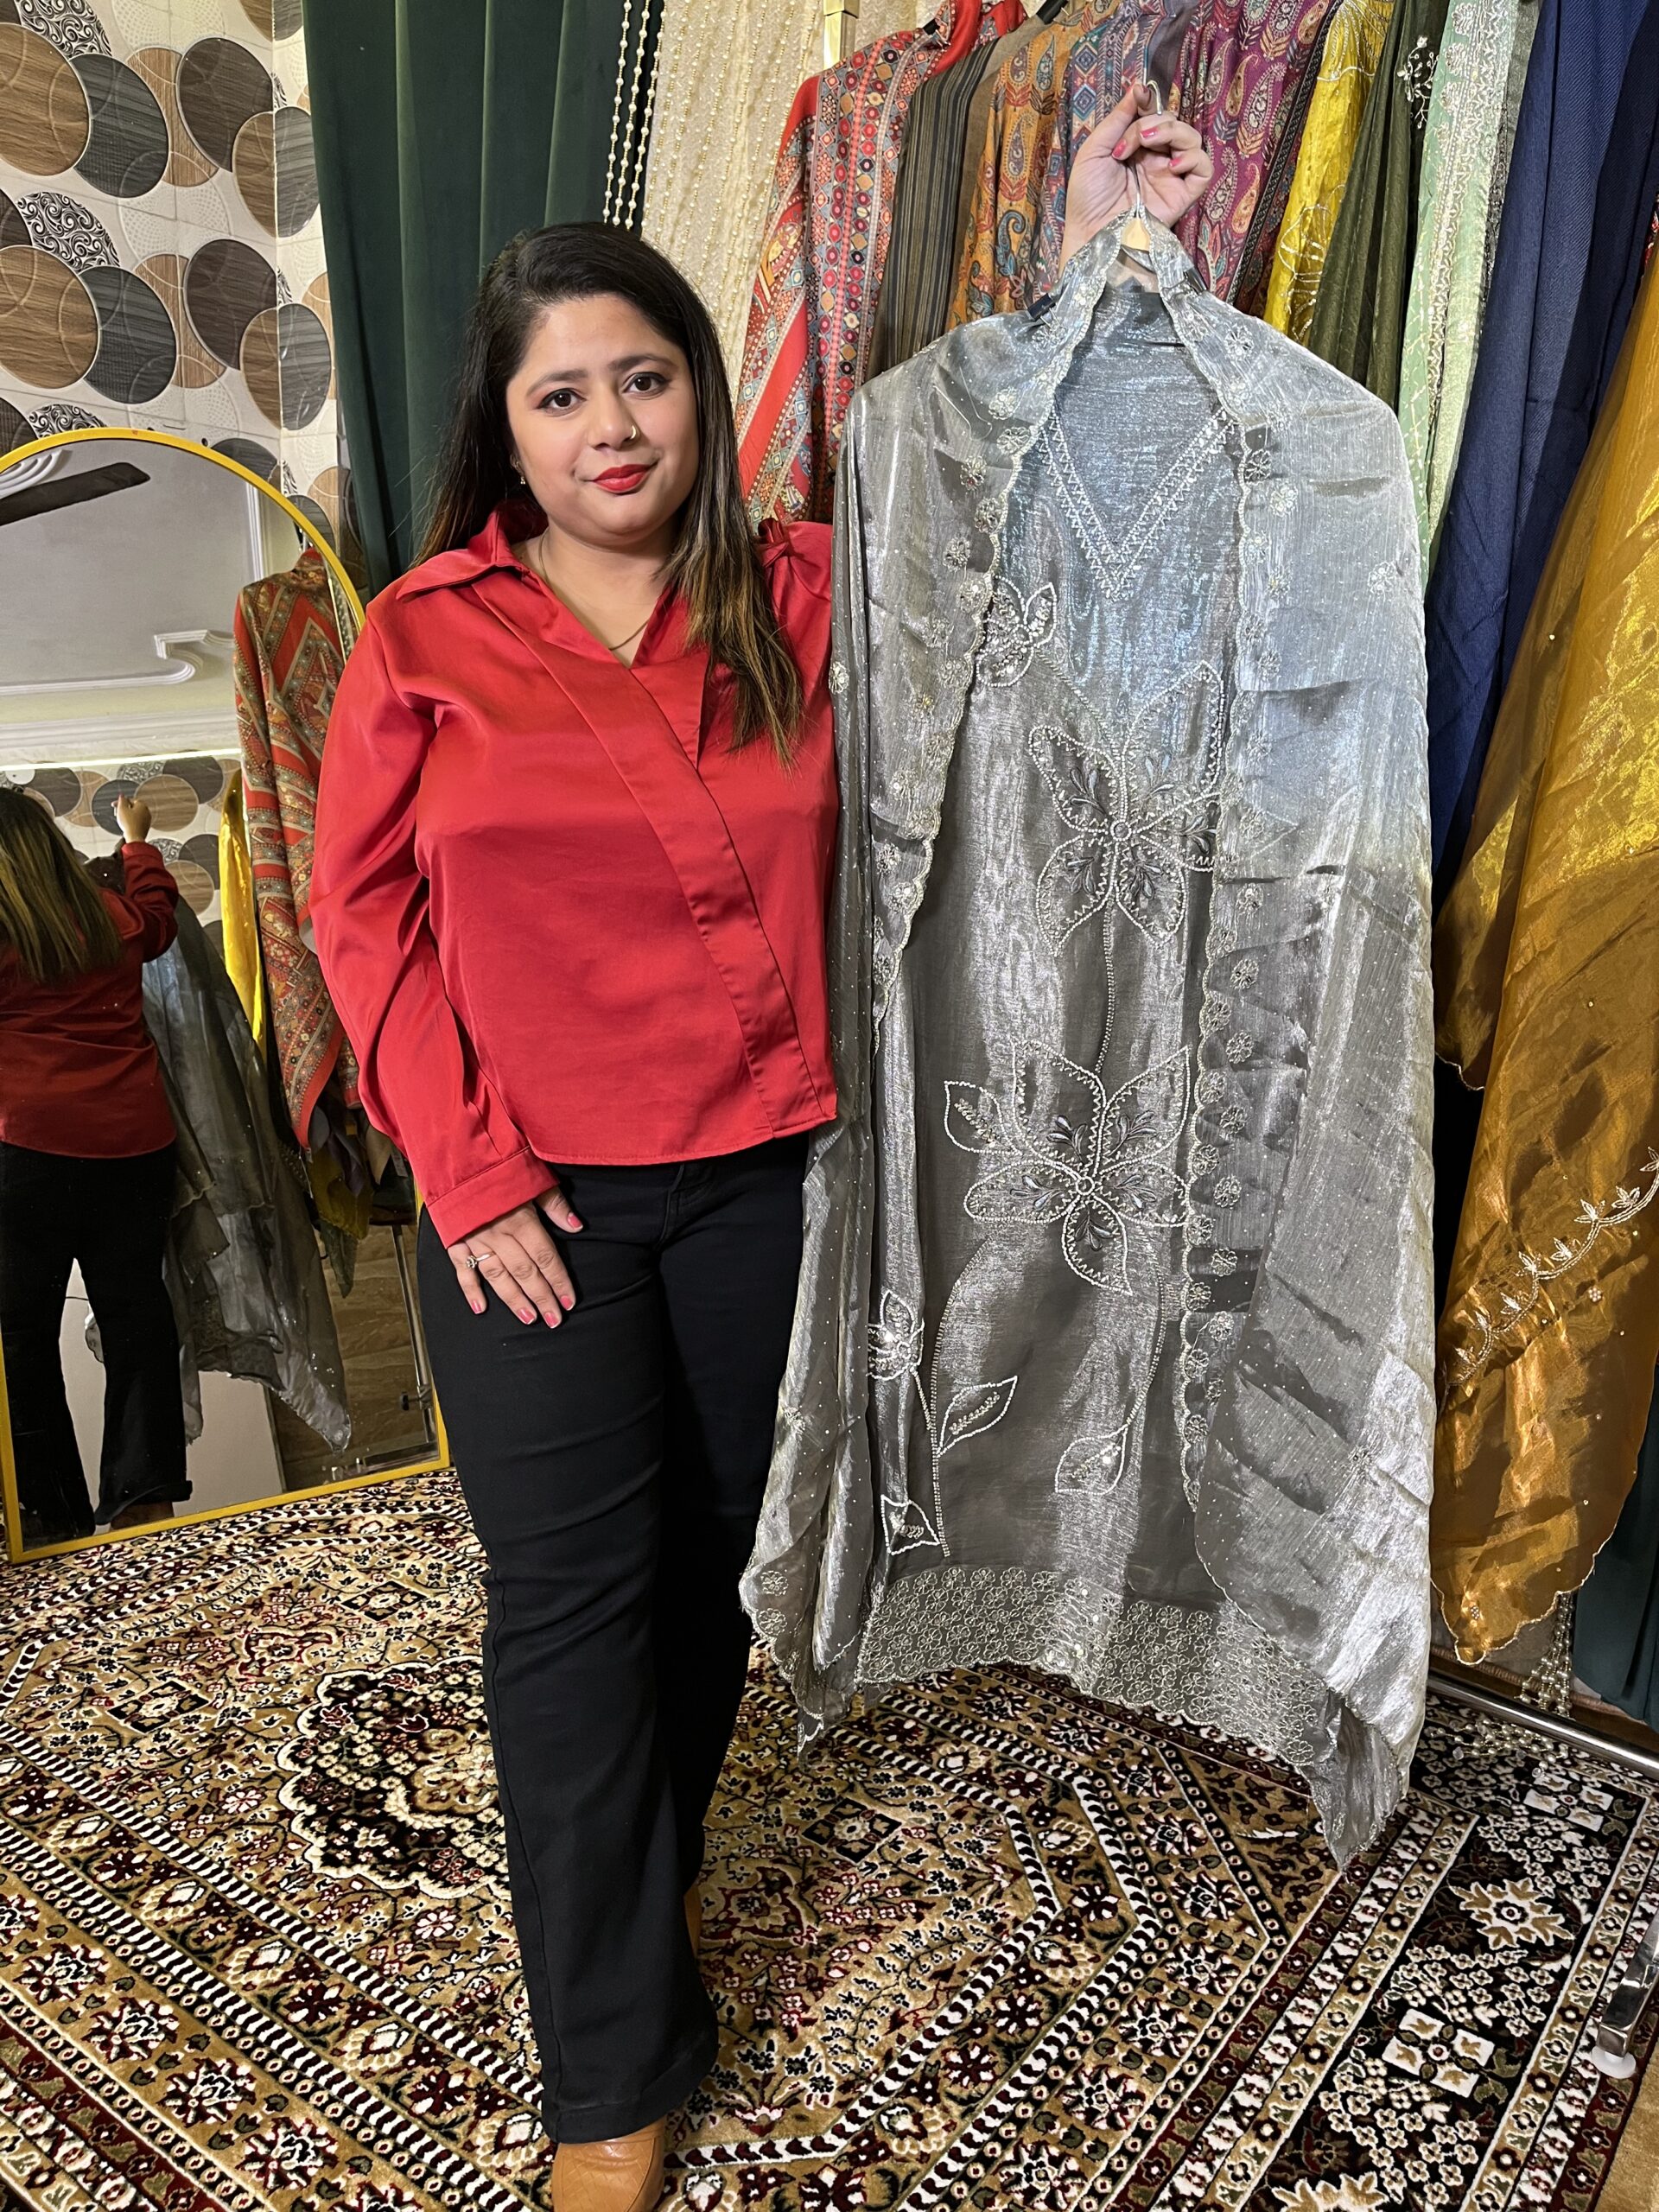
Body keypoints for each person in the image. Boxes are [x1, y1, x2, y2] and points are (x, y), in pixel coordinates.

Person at [311, 86, 1210, 2211]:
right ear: (505, 430)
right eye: (561, 395)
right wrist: (467, 1172)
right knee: (567, 1609)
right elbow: (362, 918)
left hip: (770, 1183)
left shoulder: (806, 585)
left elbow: (1017, 506)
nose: (609, 425)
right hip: (529, 1207)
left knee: (716, 1576)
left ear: (702, 393)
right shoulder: (425, 634)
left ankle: (643, 1880)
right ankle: (608, 2071)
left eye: (642, 377)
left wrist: (1088, 257)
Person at [0, 788, 185, 1545]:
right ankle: (144, 1495)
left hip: (26, 1150)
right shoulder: (112, 916)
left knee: (22, 1334)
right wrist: (137, 843)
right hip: (134, 1146)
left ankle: (49, 1513)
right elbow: (160, 915)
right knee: (136, 1315)